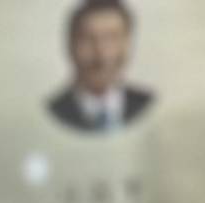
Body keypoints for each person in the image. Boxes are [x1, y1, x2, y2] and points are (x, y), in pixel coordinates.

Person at [50, 0, 153, 130]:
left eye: (111, 38)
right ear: (71, 46)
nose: (101, 54)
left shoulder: (147, 104)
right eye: (88, 39)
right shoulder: (54, 111)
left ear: (127, 44)